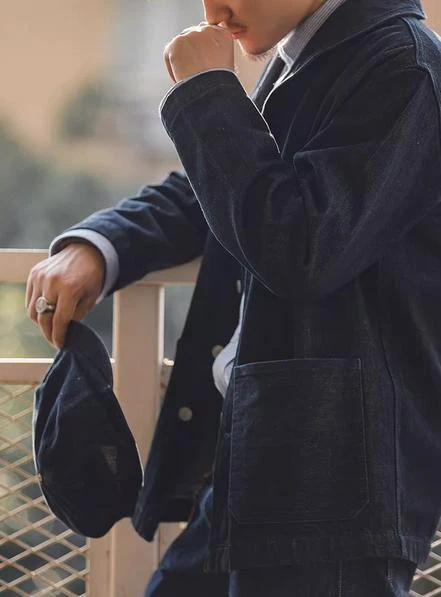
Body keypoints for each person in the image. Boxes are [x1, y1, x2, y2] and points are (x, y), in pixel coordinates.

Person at [26, 0, 441, 594]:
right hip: (267, 450)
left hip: (334, 486)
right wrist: (98, 246)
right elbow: (222, 192)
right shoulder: (318, 54)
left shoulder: (401, 66)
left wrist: (207, 93)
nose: (214, 8)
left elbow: (302, 246)